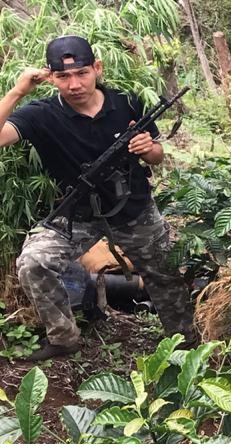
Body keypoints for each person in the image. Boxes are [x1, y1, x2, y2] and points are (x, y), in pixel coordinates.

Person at [4, 36, 194, 359]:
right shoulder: (41, 114)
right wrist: (19, 90)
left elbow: (158, 155)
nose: (74, 84)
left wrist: (149, 149)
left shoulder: (128, 102)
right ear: (50, 77)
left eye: (81, 73)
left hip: (134, 210)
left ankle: (188, 345)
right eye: (63, 77)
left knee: (166, 274)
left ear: (97, 68)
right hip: (77, 213)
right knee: (34, 261)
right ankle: (64, 338)